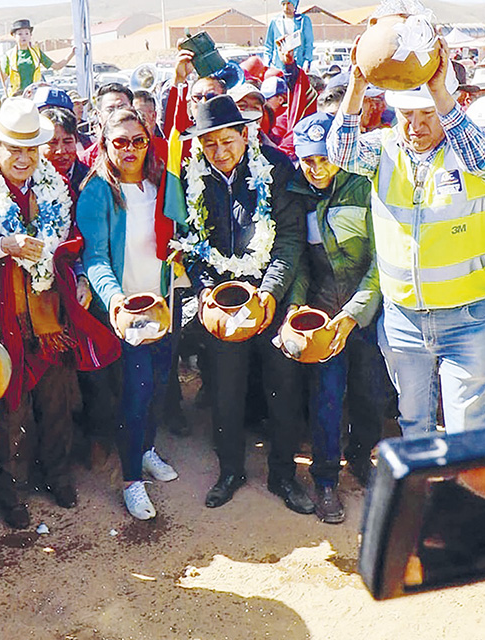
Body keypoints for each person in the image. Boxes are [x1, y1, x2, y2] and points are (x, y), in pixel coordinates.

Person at [0, 98, 119, 529]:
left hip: (49, 316)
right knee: (7, 410)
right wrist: (2, 246)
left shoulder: (54, 185)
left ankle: (58, 476)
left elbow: (73, 240)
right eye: (13, 149)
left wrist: (78, 276)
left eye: (30, 150)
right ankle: (10, 493)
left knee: (56, 400)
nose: (23, 159)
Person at [328, 41, 485, 436]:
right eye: (407, 114)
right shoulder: (383, 149)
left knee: (467, 427)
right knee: (414, 422)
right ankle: (422, 496)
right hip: (403, 318)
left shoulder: (471, 150)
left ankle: (466, 498)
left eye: (428, 114)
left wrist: (441, 92)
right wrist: (356, 86)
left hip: (467, 317)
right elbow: (339, 153)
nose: (416, 126)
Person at [175, 96, 309, 512]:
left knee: (283, 390)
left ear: (245, 134)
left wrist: (270, 292)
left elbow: (289, 239)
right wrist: (204, 293)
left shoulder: (277, 169)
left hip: (271, 297)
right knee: (225, 391)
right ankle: (230, 470)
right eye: (210, 144)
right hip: (222, 299)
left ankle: (284, 477)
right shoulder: (190, 179)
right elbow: (190, 246)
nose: (220, 152)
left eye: (227, 141)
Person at [76, 108, 184, 520]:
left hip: (164, 303)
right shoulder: (98, 191)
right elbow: (96, 257)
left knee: (158, 383)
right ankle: (131, 480)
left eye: (138, 140)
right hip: (128, 309)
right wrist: (116, 300)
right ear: (105, 144)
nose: (131, 149)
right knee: (136, 391)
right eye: (120, 141)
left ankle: (147, 448)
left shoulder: (161, 183)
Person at [283, 112, 381, 521]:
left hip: (366, 312)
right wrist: (296, 306)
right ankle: (325, 481)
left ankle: (361, 460)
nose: (317, 168)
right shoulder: (297, 193)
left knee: (369, 394)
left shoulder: (364, 188)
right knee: (326, 399)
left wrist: (356, 312)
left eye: (325, 158)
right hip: (321, 313)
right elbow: (303, 262)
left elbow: (381, 260)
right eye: (309, 160)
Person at [0, 19, 74, 95]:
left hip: (35, 94)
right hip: (17, 96)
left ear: (30, 36)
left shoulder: (37, 52)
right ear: (14, 36)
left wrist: (72, 53)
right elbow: (3, 78)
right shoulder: (9, 55)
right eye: (20, 34)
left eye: (26, 33)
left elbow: (57, 66)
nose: (24, 36)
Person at [41, 106, 89, 196]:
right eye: (53, 143)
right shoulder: (28, 179)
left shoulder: (90, 180)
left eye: (67, 142)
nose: (61, 151)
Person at [263, 0, 315, 70]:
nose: (286, 7)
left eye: (289, 3)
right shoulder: (275, 22)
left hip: (298, 66)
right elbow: (268, 45)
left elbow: (309, 44)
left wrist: (307, 61)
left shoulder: (304, 21)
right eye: (283, 4)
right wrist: (267, 63)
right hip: (278, 67)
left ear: (295, 4)